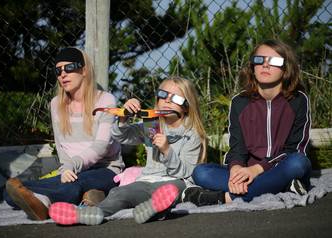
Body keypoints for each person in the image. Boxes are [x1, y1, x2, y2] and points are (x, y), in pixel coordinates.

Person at [48, 76, 208, 225]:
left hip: (174, 182)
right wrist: (124, 117)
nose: (166, 100)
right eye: (162, 94)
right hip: (146, 181)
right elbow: (122, 136)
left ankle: (153, 210)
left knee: (173, 190)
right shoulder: (151, 125)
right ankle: (92, 214)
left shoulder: (191, 135)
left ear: (187, 106)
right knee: (119, 193)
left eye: (175, 98)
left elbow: (185, 173)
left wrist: (167, 151)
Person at [182, 39, 312, 206]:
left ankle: (224, 198)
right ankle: (281, 187)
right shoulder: (240, 102)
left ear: (286, 68)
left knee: (298, 163)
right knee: (201, 172)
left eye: (274, 61)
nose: (265, 65)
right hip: (248, 172)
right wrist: (236, 169)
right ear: (252, 66)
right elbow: (237, 148)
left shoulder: (298, 100)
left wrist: (257, 170)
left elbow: (296, 149)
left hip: (281, 168)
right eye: (259, 60)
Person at [4, 47, 124, 220]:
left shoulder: (106, 100)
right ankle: (70, 198)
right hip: (71, 170)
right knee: (9, 192)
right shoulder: (56, 104)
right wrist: (66, 168)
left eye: (69, 68)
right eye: (58, 70)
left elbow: (101, 147)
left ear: (83, 70)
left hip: (106, 169)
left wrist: (71, 167)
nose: (62, 74)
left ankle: (44, 202)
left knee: (71, 186)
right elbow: (61, 147)